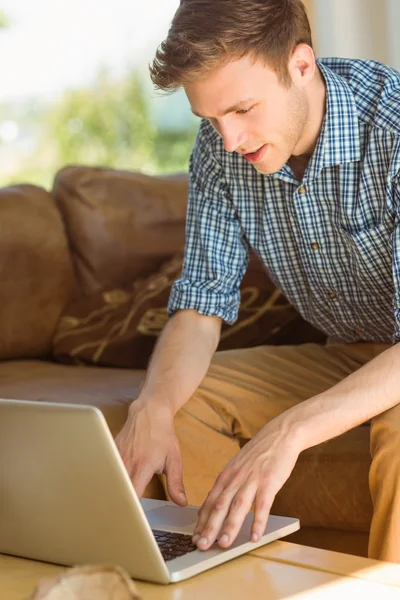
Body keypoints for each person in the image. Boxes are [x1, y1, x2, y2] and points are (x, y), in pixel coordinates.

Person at [116, 0, 400, 562]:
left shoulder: (393, 130)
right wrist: (152, 404)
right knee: (177, 407)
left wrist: (289, 430)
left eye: (243, 109)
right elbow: (200, 305)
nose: (230, 140)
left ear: (301, 65)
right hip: (352, 354)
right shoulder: (220, 150)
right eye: (211, 119)